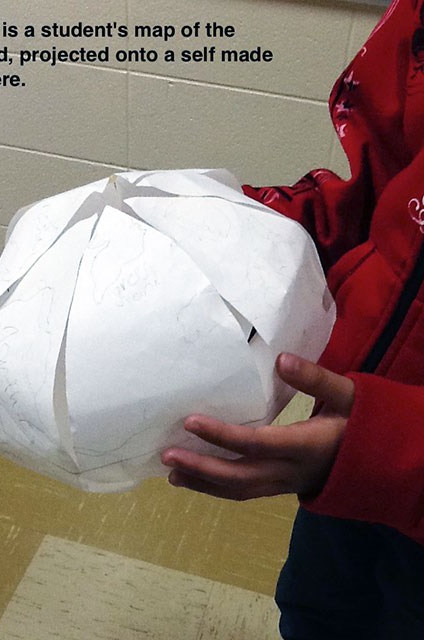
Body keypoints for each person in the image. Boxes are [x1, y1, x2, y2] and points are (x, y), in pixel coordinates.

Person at [161, 0, 424, 637]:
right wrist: (236, 225)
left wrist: (390, 452)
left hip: (383, 450)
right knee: (319, 611)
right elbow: (383, 190)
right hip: (346, 435)